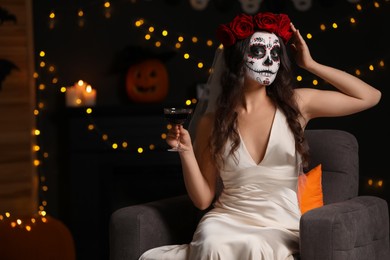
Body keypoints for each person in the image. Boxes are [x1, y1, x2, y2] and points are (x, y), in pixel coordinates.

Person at [139, 12, 381, 260]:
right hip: (226, 220)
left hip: (280, 225)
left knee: (256, 246)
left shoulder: (297, 104)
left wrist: (311, 64)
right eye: (257, 52)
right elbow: (202, 201)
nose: (268, 60)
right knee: (213, 242)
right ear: (236, 59)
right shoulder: (211, 122)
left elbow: (370, 97)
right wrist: (186, 151)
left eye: (275, 54)